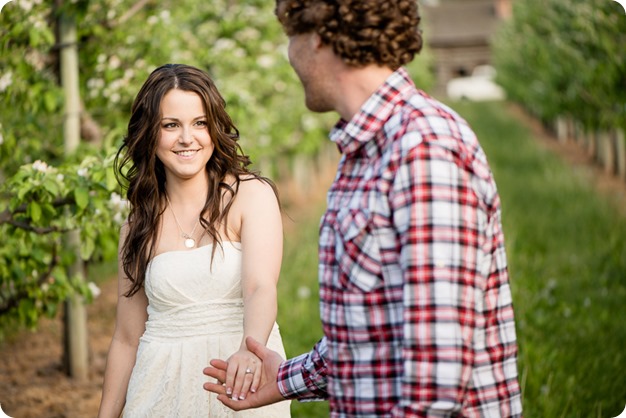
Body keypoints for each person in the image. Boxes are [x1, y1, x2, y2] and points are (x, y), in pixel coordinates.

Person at [203, 0, 523, 417]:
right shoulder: (365, 153)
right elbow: (371, 333)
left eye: (291, 38)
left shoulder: (422, 149)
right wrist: (283, 380)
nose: (291, 57)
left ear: (317, 35)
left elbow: (437, 380)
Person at [97, 63, 291, 418]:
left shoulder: (249, 195)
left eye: (199, 123)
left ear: (214, 128)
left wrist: (251, 348)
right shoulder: (137, 223)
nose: (188, 138)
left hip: (238, 382)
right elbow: (126, 337)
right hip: (158, 387)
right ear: (149, 134)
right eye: (171, 125)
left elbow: (260, 287)